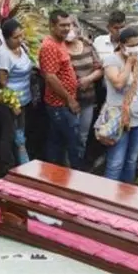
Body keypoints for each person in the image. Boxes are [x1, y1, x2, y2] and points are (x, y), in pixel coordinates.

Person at [102, 28, 138, 183]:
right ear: (121, 44)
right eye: (131, 45)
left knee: (132, 161)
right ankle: (108, 198)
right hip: (119, 120)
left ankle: (127, 196)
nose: (135, 48)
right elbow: (119, 83)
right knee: (115, 162)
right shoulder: (111, 61)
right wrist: (129, 64)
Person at [39, 9, 84, 170]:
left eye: (68, 25)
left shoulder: (61, 42)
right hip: (60, 104)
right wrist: (69, 99)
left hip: (63, 103)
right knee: (74, 143)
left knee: (57, 142)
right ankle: (77, 180)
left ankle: (56, 176)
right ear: (52, 25)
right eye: (62, 25)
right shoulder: (50, 46)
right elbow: (50, 77)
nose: (66, 29)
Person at [0, 18, 33, 167]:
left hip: (24, 98)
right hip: (10, 102)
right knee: (8, 135)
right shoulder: (3, 54)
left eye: (21, 36)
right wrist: (13, 104)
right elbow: (2, 83)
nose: (20, 39)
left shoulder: (21, 48)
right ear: (6, 38)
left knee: (20, 135)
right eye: (15, 37)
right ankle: (8, 166)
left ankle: (22, 164)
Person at [66, 20, 103, 151]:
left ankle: (79, 164)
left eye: (72, 26)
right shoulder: (60, 48)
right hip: (68, 101)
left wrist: (88, 79)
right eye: (66, 27)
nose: (69, 30)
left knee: (83, 135)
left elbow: (99, 68)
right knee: (70, 136)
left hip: (88, 99)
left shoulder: (87, 46)